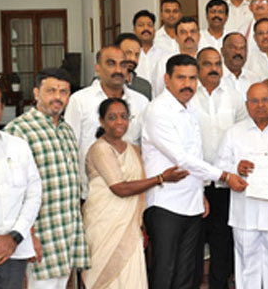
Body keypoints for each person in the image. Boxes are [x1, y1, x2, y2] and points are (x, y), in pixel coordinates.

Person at [141, 54, 247, 289]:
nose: (187, 84)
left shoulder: (189, 109)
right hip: (165, 203)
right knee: (165, 270)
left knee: (187, 273)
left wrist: (200, 193)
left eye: (191, 78)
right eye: (181, 78)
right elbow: (181, 158)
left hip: (192, 203)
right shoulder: (158, 110)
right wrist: (224, 175)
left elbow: (195, 154)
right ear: (167, 79)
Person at [81, 98, 188, 289]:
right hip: (104, 225)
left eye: (124, 117)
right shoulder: (100, 149)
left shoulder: (134, 150)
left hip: (129, 226)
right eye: (112, 117)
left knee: (131, 278)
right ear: (101, 121)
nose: (119, 122)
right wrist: (160, 178)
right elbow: (120, 188)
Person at [5, 68, 89, 288]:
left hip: (66, 231)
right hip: (40, 234)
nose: (57, 97)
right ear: (36, 93)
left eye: (63, 92)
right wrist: (28, 235)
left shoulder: (66, 130)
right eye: (51, 91)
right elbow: (11, 191)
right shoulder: (19, 130)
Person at [215, 82, 268, 289]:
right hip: (246, 213)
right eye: (254, 101)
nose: (260, 105)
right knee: (246, 266)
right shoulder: (234, 133)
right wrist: (236, 169)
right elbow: (219, 169)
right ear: (247, 105)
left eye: (265, 100)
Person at [191, 47, 247, 289]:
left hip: (225, 184)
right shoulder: (188, 97)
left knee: (222, 243)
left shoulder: (234, 97)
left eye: (217, 64)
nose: (213, 68)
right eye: (207, 64)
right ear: (197, 68)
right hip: (195, 183)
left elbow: (243, 136)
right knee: (194, 244)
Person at [0, 77, 41, 289]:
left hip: (14, 256)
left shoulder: (18, 147)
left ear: (2, 107)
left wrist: (14, 238)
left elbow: (34, 194)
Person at [65, 45, 149, 197]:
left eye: (122, 64)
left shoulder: (141, 102)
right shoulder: (79, 100)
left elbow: (146, 147)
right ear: (97, 68)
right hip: (92, 192)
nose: (118, 70)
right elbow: (70, 148)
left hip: (133, 190)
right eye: (111, 64)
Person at [151, 16, 201, 96]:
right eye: (183, 32)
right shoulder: (164, 62)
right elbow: (158, 92)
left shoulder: (209, 60)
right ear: (176, 38)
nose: (189, 35)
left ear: (199, 36)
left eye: (192, 31)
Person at [114, 33, 153, 100]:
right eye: (128, 53)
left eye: (137, 55)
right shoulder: (105, 83)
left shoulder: (144, 86)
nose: (133, 59)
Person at [132, 9, 166, 84]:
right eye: (141, 25)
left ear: (154, 30)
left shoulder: (164, 55)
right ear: (134, 30)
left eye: (150, 25)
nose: (146, 28)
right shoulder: (129, 56)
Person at [221, 32, 254, 99]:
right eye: (233, 48)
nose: (238, 52)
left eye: (242, 48)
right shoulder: (214, 79)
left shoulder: (254, 79)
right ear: (222, 51)